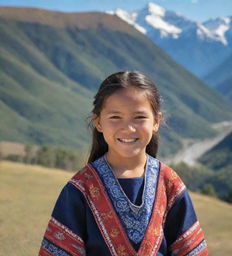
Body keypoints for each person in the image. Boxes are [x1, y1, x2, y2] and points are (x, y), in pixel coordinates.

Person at [39, 71, 208, 256]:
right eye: (115, 117)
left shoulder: (170, 183)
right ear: (98, 122)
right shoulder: (80, 189)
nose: (128, 128)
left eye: (139, 117)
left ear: (156, 121)